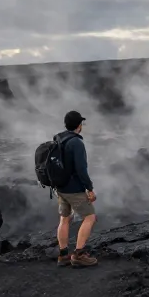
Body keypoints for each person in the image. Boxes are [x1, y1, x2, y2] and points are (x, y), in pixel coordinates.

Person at [55, 110, 98, 268]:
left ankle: (63, 255)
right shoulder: (77, 143)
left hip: (60, 187)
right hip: (73, 189)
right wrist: (90, 188)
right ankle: (79, 255)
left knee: (64, 219)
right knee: (90, 217)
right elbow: (81, 169)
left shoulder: (59, 138)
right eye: (81, 123)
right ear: (79, 125)